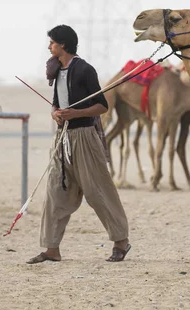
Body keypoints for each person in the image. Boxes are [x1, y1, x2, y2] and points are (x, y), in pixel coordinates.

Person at [27, 24, 131, 264]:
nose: (49, 46)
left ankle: (121, 241)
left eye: (51, 42)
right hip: (62, 139)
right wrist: (56, 113)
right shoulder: (56, 70)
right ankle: (52, 249)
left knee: (98, 192)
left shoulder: (85, 69)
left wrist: (76, 113)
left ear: (62, 44)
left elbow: (102, 106)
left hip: (84, 137)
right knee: (55, 191)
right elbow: (56, 102)